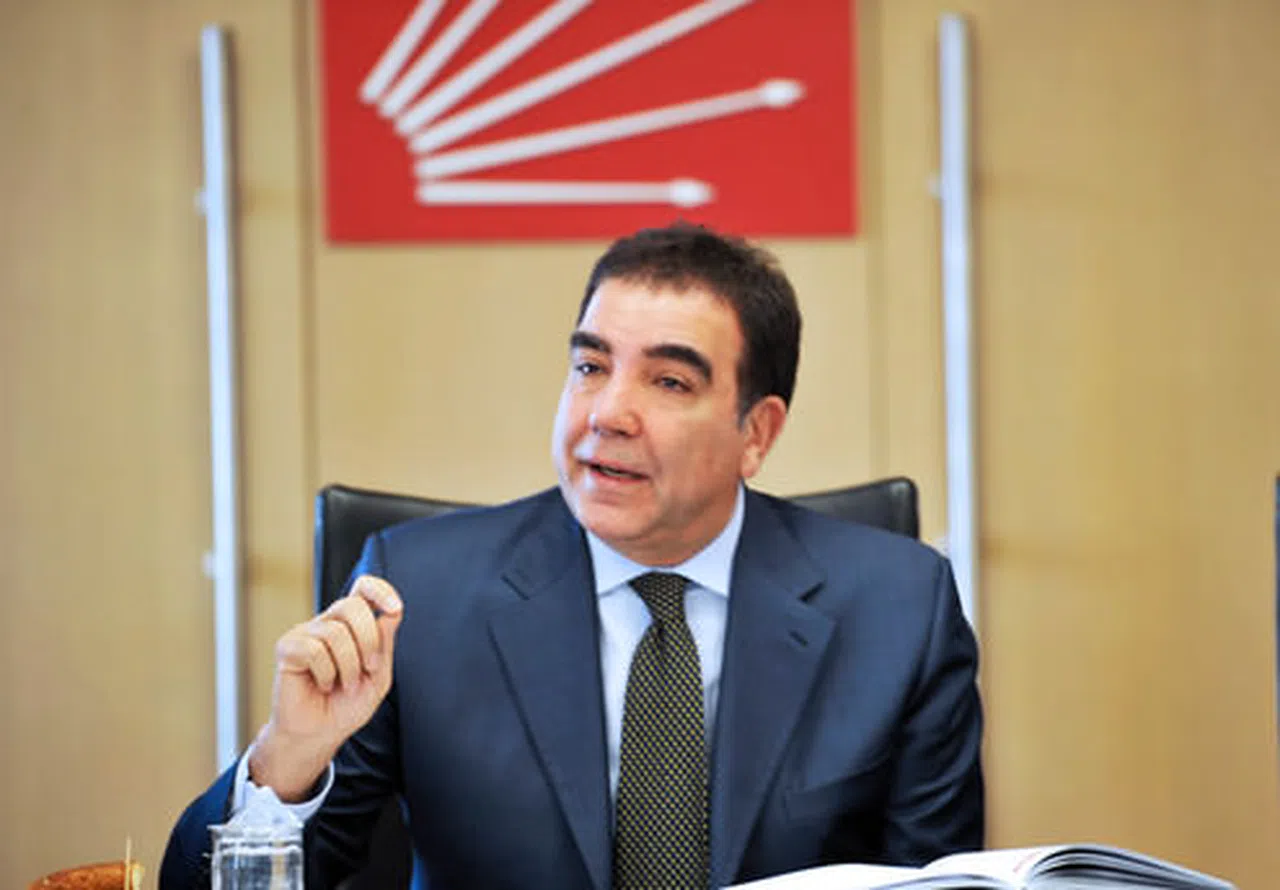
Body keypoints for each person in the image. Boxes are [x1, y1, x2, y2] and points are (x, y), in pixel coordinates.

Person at [161, 223, 983, 890]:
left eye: (669, 382)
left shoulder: (899, 609)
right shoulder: (419, 596)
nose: (607, 413)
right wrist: (289, 758)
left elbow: (940, 882)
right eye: (590, 366)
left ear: (756, 433)